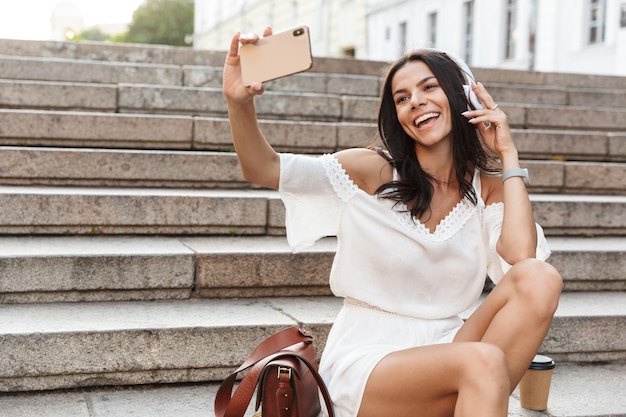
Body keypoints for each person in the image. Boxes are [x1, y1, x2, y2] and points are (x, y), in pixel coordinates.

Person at [222, 27, 563, 417]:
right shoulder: (373, 171)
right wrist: (238, 102)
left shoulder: (485, 189)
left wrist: (507, 154)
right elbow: (263, 167)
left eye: (429, 88)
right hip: (371, 356)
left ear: (461, 95)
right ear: (397, 116)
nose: (416, 102)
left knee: (540, 278)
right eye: (402, 98)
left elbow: (522, 258)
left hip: (452, 345)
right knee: (483, 362)